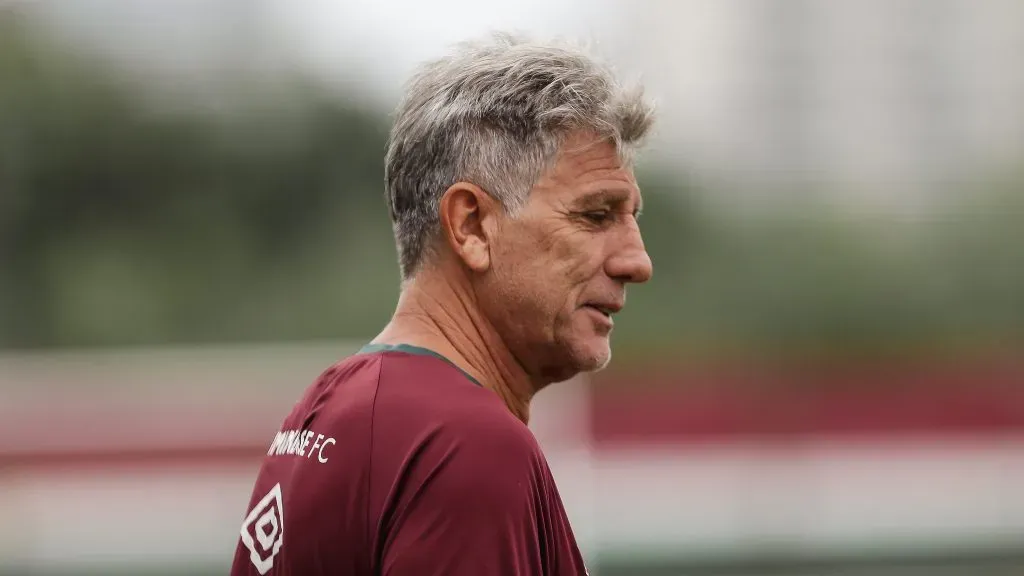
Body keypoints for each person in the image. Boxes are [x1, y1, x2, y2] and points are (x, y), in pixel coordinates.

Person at [230, 31, 654, 576]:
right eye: (596, 215)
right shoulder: (470, 449)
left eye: (632, 218)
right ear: (471, 225)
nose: (636, 262)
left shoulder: (325, 410)